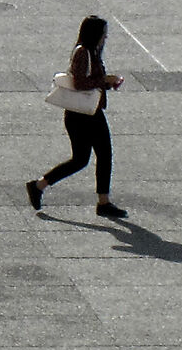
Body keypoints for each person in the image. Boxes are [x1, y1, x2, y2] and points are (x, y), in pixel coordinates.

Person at [27, 15, 127, 219]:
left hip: (87, 113)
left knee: (85, 158)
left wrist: (107, 83)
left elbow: (88, 81)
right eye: (103, 34)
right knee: (93, 157)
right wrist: (104, 80)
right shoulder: (83, 53)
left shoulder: (92, 52)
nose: (106, 37)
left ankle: (39, 186)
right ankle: (102, 202)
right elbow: (80, 83)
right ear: (95, 34)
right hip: (83, 115)